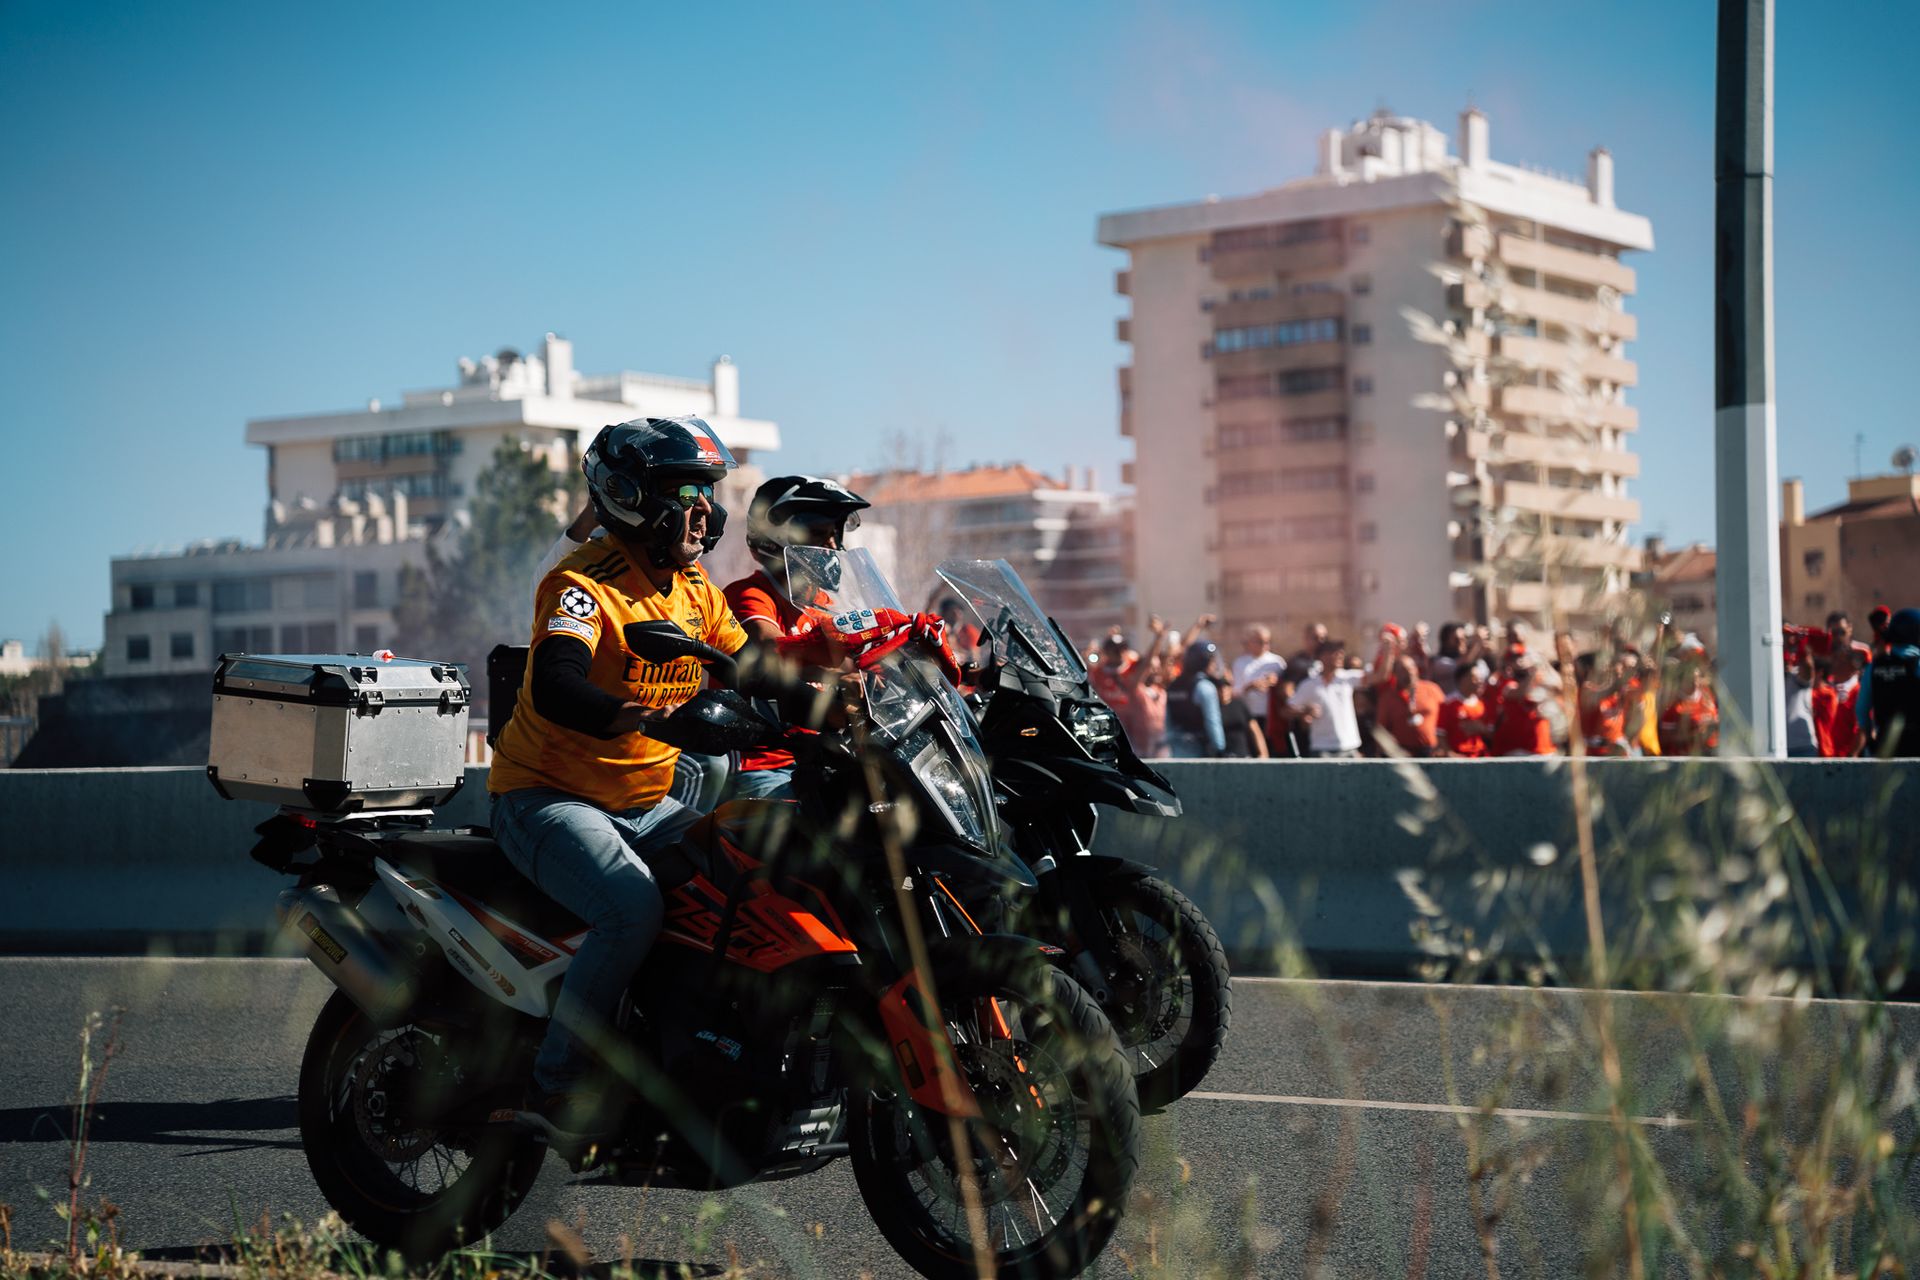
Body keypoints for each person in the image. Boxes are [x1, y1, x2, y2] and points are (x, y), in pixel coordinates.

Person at [489, 417, 750, 1145]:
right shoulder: (582, 585)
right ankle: (556, 1087)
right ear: (632, 498)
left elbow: (754, 663)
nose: (706, 509)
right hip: (546, 798)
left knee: (744, 875)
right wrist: (637, 717)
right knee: (631, 909)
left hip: (644, 802)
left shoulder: (695, 588)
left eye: (708, 493)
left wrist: (839, 692)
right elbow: (555, 685)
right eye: (686, 492)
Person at [718, 474, 872, 801]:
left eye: (834, 536)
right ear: (775, 539)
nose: (831, 547)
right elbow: (769, 648)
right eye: (819, 535)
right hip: (763, 765)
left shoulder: (824, 605)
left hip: (824, 756)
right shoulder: (749, 594)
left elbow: (857, 661)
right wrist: (835, 674)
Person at [1288, 637, 1367, 758]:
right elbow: (1287, 710)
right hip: (1321, 749)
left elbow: (1379, 676)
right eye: (1335, 652)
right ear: (1322, 656)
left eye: (1341, 652)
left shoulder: (1347, 678)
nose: (1340, 655)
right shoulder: (1309, 684)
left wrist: (1388, 651)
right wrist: (1305, 711)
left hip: (1350, 747)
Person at [1858, 607, 1920, 758]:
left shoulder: (1874, 666)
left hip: (1886, 749)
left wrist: (1870, 738)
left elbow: (1861, 710)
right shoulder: (1917, 663)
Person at [1164, 639, 1227, 758]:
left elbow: (1167, 722)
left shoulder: (1173, 686)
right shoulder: (1205, 687)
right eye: (1212, 660)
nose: (1214, 664)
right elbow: (1212, 721)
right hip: (1199, 750)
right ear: (1204, 661)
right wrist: (1220, 748)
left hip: (1175, 749)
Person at [1373, 654, 1444, 756]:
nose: (1409, 672)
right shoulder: (1387, 698)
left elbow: (1446, 720)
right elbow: (1381, 731)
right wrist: (1394, 751)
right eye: (1403, 670)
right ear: (1394, 674)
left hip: (1431, 751)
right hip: (1403, 753)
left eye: (1411, 668)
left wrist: (1443, 746)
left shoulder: (1432, 689)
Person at [1488, 658, 1558, 756]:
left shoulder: (1540, 688)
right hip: (1516, 749)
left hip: (1541, 748)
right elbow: (1522, 692)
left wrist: (1544, 664)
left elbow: (1559, 686)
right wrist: (1533, 672)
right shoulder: (1509, 686)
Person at [1230, 625, 1287, 726]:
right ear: (1250, 642)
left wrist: (1276, 682)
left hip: (1271, 715)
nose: (1264, 645)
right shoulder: (1240, 663)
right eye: (1260, 642)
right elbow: (1234, 692)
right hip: (1248, 715)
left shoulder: (1277, 662)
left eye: (1267, 642)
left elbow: (1286, 689)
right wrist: (1250, 687)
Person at [1436, 665, 1491, 757]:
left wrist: (1481, 729)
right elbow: (1440, 734)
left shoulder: (1482, 704)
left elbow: (1492, 735)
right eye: (1475, 678)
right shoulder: (1449, 704)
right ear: (1462, 680)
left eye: (1480, 678)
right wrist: (1451, 755)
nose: (1479, 681)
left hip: (1480, 756)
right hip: (1459, 757)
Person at [1217, 670, 1268, 758]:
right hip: (1223, 757)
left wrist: (1263, 754)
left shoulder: (1240, 704)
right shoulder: (1212, 707)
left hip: (1243, 755)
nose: (1223, 690)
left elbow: (1255, 730)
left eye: (1227, 686)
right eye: (1220, 687)